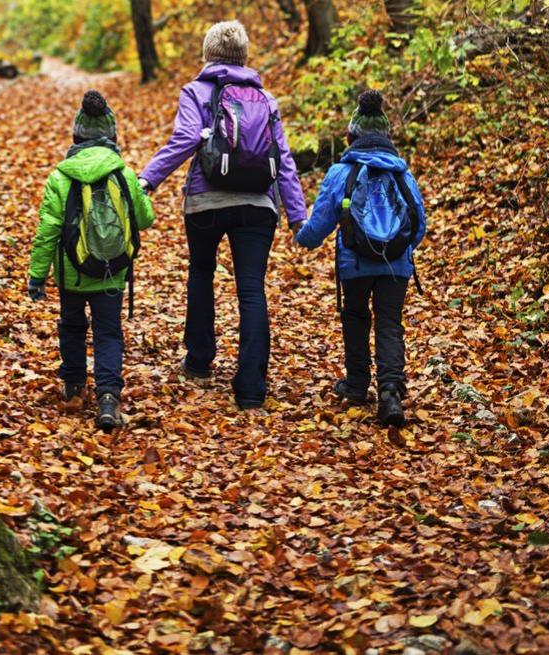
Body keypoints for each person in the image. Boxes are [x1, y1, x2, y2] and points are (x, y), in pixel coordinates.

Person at [139, 21, 306, 409]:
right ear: (245, 57)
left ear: (207, 55)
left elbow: (184, 140)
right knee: (251, 289)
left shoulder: (196, 92)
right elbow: (283, 161)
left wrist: (148, 179)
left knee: (201, 272)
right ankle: (250, 387)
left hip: (206, 201)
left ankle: (199, 359)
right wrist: (298, 216)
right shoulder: (267, 100)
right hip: (258, 204)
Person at [296, 89, 426, 428]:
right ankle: (390, 393)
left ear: (350, 136)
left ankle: (356, 385)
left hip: (354, 264)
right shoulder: (402, 173)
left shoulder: (341, 173)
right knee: (389, 322)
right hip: (395, 265)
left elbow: (320, 224)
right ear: (387, 136)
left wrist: (302, 236)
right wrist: (400, 249)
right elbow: (419, 222)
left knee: (354, 317)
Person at [28, 90, 154, 432]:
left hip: (71, 272)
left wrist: (37, 275)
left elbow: (49, 229)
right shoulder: (124, 174)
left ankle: (72, 386)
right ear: (112, 137)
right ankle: (109, 398)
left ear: (75, 137)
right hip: (112, 270)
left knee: (71, 325)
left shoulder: (61, 177)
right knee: (108, 332)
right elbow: (145, 219)